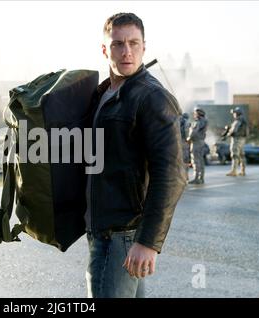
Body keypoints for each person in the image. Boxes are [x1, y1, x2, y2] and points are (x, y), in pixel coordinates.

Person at [84, 13, 186, 298]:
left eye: (133, 43)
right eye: (118, 44)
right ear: (105, 49)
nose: (126, 51)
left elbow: (172, 176)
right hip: (102, 230)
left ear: (144, 47)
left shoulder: (152, 97)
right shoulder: (103, 94)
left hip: (123, 234)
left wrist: (148, 242)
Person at [186, 108, 208, 184]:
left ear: (198, 114)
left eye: (195, 113)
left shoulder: (198, 122)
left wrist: (188, 138)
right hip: (201, 142)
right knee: (201, 160)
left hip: (196, 142)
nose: (194, 115)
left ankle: (196, 178)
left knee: (195, 160)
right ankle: (201, 177)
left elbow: (194, 132)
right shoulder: (204, 121)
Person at [225, 107, 248, 176]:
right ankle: (243, 170)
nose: (233, 114)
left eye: (234, 113)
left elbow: (234, 130)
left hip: (237, 139)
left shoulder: (238, 120)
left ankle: (234, 171)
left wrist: (228, 134)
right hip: (242, 139)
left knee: (235, 155)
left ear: (237, 113)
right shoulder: (243, 120)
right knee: (242, 155)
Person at [179, 112, 191, 180]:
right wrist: (188, 139)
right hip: (184, 142)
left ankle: (181, 175)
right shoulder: (186, 122)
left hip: (178, 141)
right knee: (185, 159)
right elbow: (186, 131)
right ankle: (186, 176)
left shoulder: (178, 121)